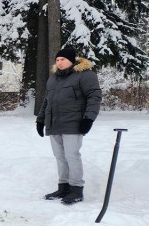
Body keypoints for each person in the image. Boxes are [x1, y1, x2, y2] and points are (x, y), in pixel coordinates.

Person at [36, 45, 102, 205]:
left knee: (72, 156)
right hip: (54, 123)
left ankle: (76, 190)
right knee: (60, 156)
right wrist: (41, 119)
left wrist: (89, 119)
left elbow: (94, 97)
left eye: (63, 59)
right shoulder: (53, 78)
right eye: (57, 60)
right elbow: (47, 101)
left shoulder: (85, 75)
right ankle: (63, 187)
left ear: (71, 60)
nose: (59, 62)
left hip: (73, 123)